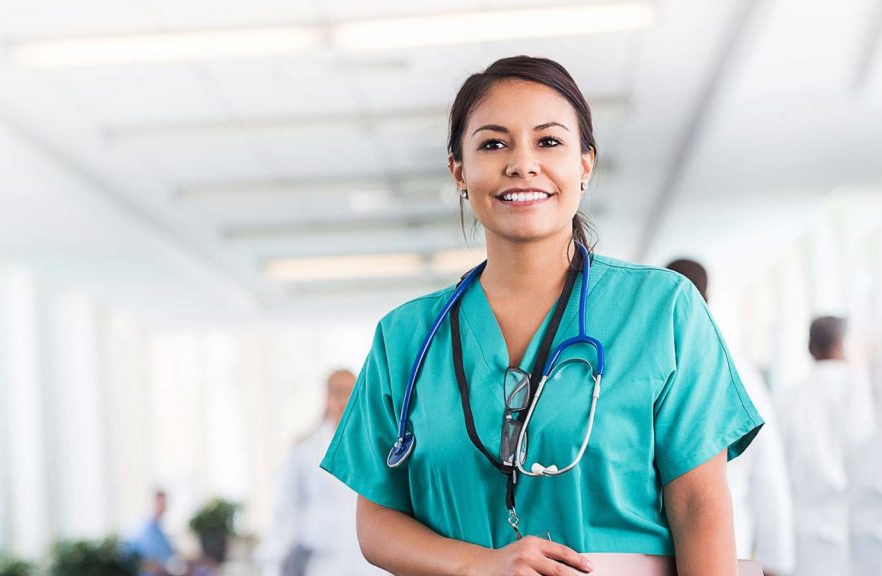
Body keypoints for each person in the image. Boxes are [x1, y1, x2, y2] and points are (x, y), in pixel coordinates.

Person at [321, 56, 763, 576]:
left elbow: (700, 507)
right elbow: (376, 523)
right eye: (492, 143)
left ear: (584, 163)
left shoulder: (664, 310)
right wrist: (479, 565)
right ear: (458, 169)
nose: (521, 163)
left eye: (548, 142)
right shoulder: (406, 338)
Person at [666, 258, 795, 576]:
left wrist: (777, 561)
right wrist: (778, 561)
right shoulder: (742, 373)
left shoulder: (734, 371)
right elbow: (768, 475)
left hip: (717, 549)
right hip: (726, 547)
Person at [776, 316, 875, 576]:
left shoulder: (789, 400)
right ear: (843, 345)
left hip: (808, 539)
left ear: (810, 349)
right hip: (865, 536)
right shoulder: (867, 392)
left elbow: (777, 476)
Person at [261, 370, 385, 576]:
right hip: (322, 560)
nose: (344, 401)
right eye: (337, 393)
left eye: (349, 393)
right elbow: (287, 509)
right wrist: (273, 562)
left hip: (366, 561)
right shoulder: (304, 449)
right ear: (327, 398)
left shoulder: (376, 444)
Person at [128, 490, 185, 576]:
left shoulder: (159, 530)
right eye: (160, 503)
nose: (162, 506)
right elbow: (148, 562)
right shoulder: (145, 529)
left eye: (164, 503)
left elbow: (171, 553)